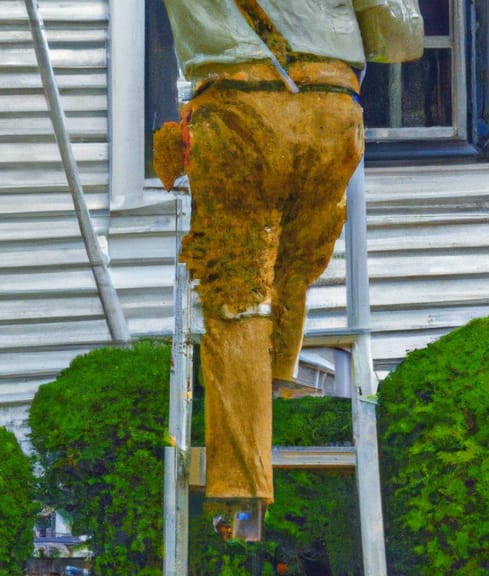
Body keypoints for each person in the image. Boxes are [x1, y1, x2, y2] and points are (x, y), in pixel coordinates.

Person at [155, 0, 422, 513]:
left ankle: (240, 493)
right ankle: (276, 379)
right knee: (292, 266)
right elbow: (398, 34)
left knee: (238, 292)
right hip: (332, 108)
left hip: (239, 106)